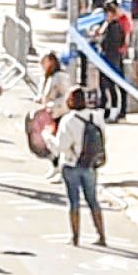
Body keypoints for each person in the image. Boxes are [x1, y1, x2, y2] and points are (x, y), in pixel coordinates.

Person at [49, 90, 109, 248]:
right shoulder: (96, 116)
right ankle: (101, 235)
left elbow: (61, 146)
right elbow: (104, 137)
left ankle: (75, 237)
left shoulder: (68, 120)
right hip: (90, 164)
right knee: (93, 200)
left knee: (74, 202)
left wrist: (48, 138)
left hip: (71, 164)